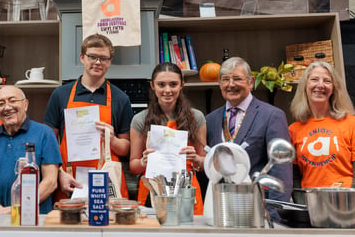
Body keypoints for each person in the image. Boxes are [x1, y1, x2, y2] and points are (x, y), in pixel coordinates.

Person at [44, 34, 134, 198]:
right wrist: (59, 173)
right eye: (92, 56)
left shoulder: (120, 99)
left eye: (104, 58)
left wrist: (112, 140)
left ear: (109, 62)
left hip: (106, 180)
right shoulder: (60, 95)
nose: (98, 62)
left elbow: (126, 148)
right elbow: (48, 143)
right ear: (82, 58)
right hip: (68, 179)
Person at [205, 57, 292, 207]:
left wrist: (274, 216)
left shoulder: (272, 115)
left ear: (251, 82)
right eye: (225, 79)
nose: (231, 84)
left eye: (237, 79)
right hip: (221, 210)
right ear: (219, 84)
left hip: (258, 210)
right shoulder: (211, 119)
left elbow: (281, 170)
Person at [129, 63, 206, 213]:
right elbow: (133, 166)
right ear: (152, 86)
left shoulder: (196, 117)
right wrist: (143, 162)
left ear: (182, 85)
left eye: (173, 84)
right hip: (152, 192)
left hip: (186, 190)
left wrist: (195, 158)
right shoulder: (140, 120)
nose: (167, 90)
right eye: (161, 85)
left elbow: (204, 163)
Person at [289, 61, 355, 190]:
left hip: (346, 205)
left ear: (334, 88)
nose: (320, 85)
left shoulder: (354, 125)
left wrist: (348, 205)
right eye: (314, 79)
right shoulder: (293, 130)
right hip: (310, 206)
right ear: (305, 86)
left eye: (327, 81)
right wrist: (305, 207)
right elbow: (293, 177)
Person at [0, 86, 61, 214]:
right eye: (1, 104)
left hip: (33, 219)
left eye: (12, 101)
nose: (7, 107)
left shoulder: (44, 133)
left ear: (25, 104)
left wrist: (14, 210)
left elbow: (50, 182)